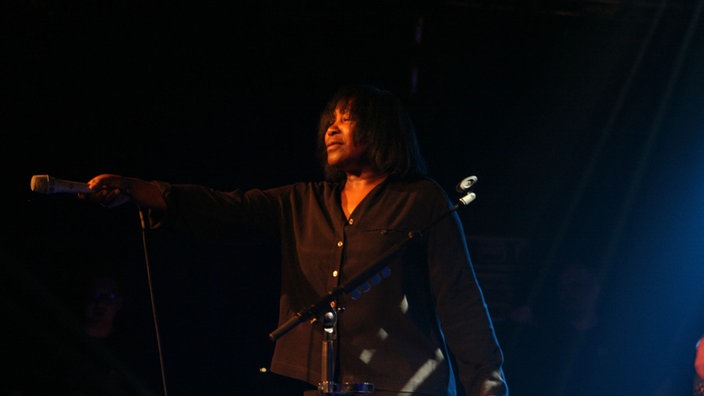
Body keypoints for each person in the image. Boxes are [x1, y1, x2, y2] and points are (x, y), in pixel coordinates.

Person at [77, 84, 508, 396]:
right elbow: (225, 206)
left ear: (380, 129)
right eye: (329, 123)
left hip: (405, 385)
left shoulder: (422, 200)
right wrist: (139, 189)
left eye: (346, 119)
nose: (331, 130)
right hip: (322, 384)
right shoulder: (305, 202)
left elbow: (460, 300)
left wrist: (487, 385)